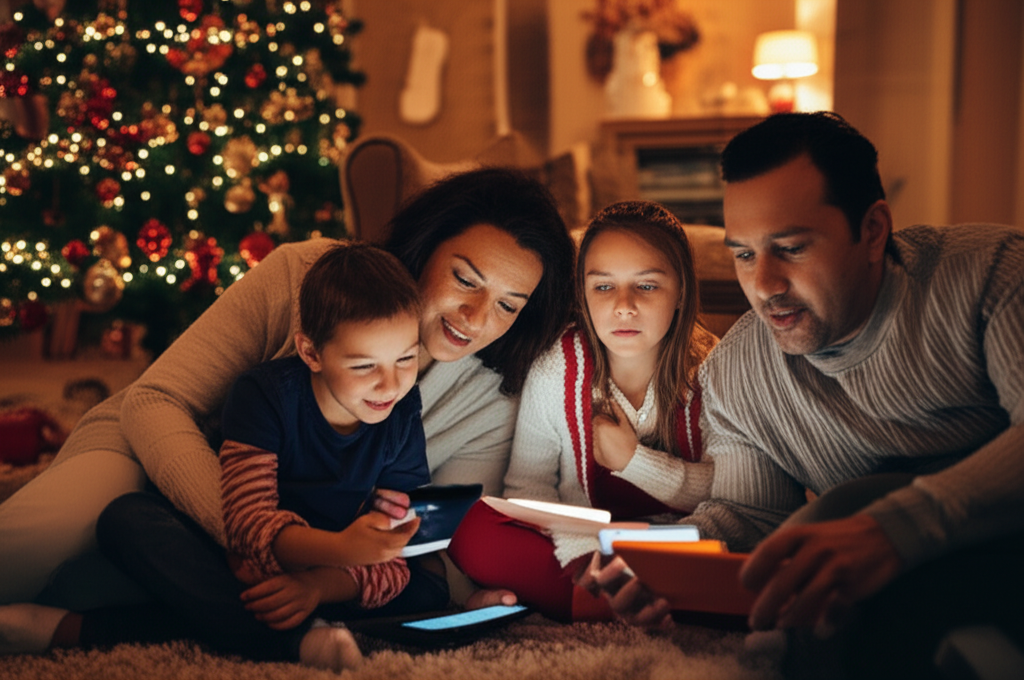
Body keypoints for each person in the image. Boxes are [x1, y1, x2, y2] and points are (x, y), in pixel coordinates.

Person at [0, 166, 577, 616]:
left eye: (507, 305)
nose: (475, 318)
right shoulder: (304, 274)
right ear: (427, 248)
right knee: (25, 553)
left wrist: (440, 595)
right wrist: (260, 541)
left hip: (296, 554)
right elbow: (153, 404)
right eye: (465, 279)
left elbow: (424, 543)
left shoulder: (491, 400)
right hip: (146, 456)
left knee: (91, 595)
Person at [579, 112, 1024, 679]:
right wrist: (664, 562)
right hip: (884, 608)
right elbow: (751, 516)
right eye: (743, 254)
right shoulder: (738, 370)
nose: (763, 285)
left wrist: (895, 527)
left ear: (872, 231)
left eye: (789, 248)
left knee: (844, 511)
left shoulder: (992, 276)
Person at [1, 242, 445, 669]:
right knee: (127, 518)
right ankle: (297, 641)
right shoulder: (265, 395)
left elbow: (393, 552)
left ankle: (80, 631)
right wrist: (341, 549)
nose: (390, 385)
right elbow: (247, 523)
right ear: (311, 352)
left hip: (324, 570)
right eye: (365, 366)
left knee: (426, 591)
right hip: (234, 554)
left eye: (406, 359)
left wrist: (315, 587)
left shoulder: (401, 414)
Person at [447, 201, 718, 622]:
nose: (623, 306)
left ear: (681, 289)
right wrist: (589, 559)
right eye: (604, 287)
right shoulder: (559, 363)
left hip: (681, 544)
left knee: (766, 541)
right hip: (585, 550)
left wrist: (633, 461)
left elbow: (729, 493)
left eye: (646, 286)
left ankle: (615, 605)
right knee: (472, 529)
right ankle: (626, 600)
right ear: (583, 292)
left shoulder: (714, 371)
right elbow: (529, 488)